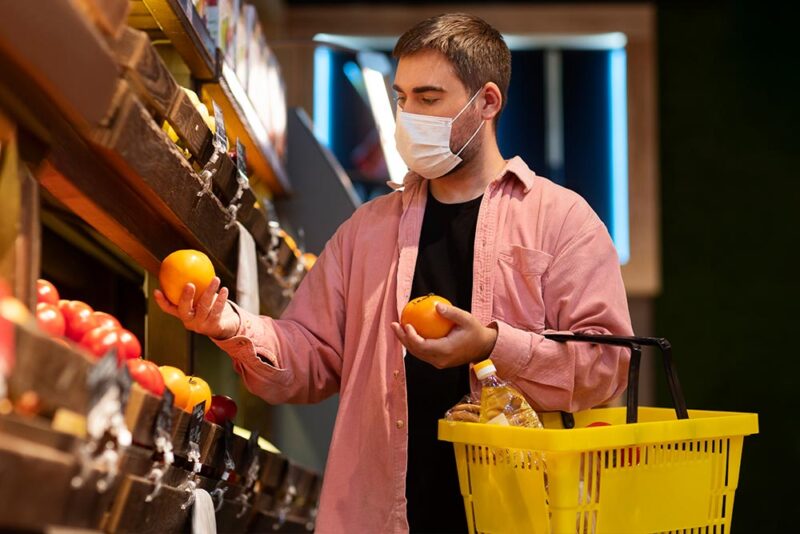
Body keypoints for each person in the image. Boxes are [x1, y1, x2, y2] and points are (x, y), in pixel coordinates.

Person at [155, 12, 633, 534]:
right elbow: (309, 353)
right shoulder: (367, 231)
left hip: (521, 516)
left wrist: (492, 345)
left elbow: (605, 368)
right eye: (402, 98)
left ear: (488, 103)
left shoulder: (563, 221)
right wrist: (231, 325)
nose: (408, 116)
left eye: (428, 99)